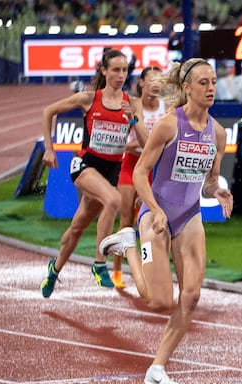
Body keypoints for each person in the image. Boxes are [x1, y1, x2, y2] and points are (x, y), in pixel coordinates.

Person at [99, 58, 234, 384]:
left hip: (189, 216)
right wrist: (155, 211)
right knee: (158, 301)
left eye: (214, 81)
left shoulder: (218, 133)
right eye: (203, 82)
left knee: (191, 296)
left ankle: (157, 368)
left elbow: (208, 182)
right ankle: (129, 242)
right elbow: (142, 173)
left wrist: (220, 191)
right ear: (187, 88)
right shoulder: (169, 125)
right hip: (154, 216)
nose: (211, 88)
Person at [40, 48, 147, 298]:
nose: (121, 75)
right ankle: (100, 264)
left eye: (125, 70)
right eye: (116, 70)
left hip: (110, 172)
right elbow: (48, 112)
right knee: (113, 200)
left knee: (77, 228)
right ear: (104, 71)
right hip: (85, 166)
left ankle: (54, 270)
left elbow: (146, 141)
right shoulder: (89, 98)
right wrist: (49, 148)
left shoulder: (132, 103)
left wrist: (134, 121)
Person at [112, 66, 168, 288]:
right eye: (151, 80)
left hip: (155, 168)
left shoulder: (166, 107)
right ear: (142, 83)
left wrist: (144, 142)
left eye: (159, 80)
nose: (155, 84)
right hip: (131, 165)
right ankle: (117, 271)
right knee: (126, 220)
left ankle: (149, 272)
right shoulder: (134, 104)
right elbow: (127, 141)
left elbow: (151, 143)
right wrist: (139, 140)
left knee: (151, 223)